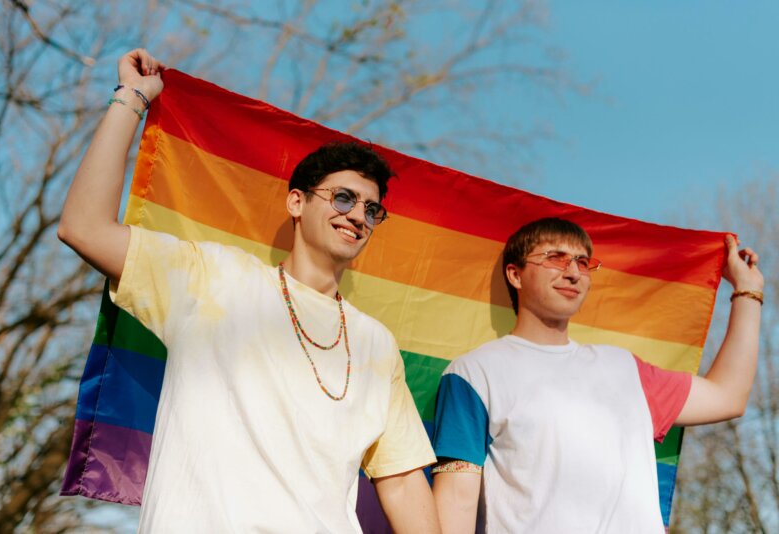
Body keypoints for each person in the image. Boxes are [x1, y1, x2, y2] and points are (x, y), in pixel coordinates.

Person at [59, 48, 440, 533]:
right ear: (296, 202)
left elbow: (403, 479)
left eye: (372, 209)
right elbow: (83, 228)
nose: (359, 215)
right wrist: (133, 96)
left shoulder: (377, 344)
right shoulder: (212, 277)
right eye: (343, 197)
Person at [430, 217, 763, 533]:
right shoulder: (474, 373)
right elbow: (457, 501)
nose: (573, 272)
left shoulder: (625, 369)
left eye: (582, 262)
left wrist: (747, 292)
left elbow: (727, 396)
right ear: (515, 275)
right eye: (555, 258)